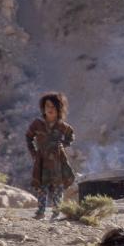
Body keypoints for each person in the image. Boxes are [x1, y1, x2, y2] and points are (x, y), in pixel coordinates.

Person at [26, 92, 76, 220]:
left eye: (53, 106)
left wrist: (63, 144)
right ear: (43, 107)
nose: (50, 109)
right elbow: (28, 137)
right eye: (47, 106)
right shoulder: (37, 124)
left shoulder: (62, 126)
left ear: (58, 109)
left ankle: (56, 213)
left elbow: (71, 136)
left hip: (57, 161)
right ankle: (41, 212)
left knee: (58, 187)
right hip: (41, 161)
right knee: (42, 187)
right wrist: (33, 152)